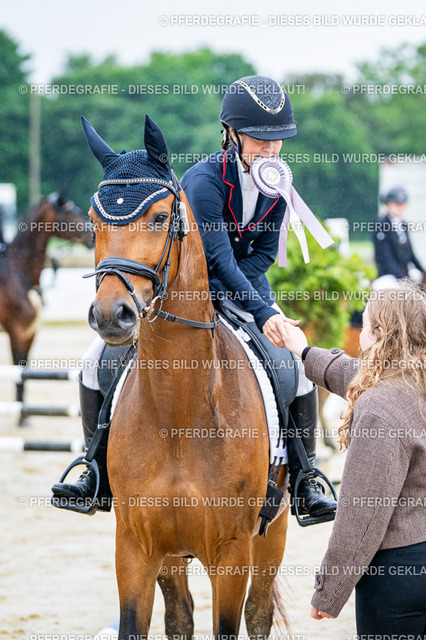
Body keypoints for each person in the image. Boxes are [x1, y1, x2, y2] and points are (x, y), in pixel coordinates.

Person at [52, 75, 337, 519]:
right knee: (94, 361)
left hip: (246, 289)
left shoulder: (279, 182)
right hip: (188, 291)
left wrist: (253, 303)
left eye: (277, 139)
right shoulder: (204, 181)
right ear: (231, 134)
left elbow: (264, 254)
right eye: (258, 138)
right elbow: (216, 256)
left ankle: (305, 477)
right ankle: (95, 471)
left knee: (297, 368)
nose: (269, 148)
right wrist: (253, 305)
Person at [282, 282, 426, 635]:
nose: (358, 335)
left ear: (380, 333)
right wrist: (304, 350)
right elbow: (358, 375)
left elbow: (362, 515)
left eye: (364, 324)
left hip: (400, 578)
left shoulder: (376, 409)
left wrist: (329, 590)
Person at [372, 186, 424, 285]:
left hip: (405, 274)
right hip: (388, 276)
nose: (401, 207)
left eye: (403, 204)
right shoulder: (381, 225)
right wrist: (403, 279)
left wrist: (425, 273)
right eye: (397, 204)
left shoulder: (403, 225)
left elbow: (411, 255)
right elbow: (387, 258)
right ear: (388, 204)